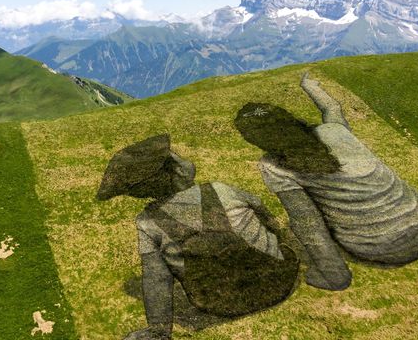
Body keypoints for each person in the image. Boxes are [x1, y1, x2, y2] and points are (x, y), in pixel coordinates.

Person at [234, 73, 418, 291]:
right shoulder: (335, 131)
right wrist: (310, 87)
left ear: (254, 139)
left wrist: (333, 275)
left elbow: (308, 223)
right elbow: (332, 109)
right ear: (292, 120)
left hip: (383, 249)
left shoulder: (275, 166)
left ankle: (334, 272)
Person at [96, 134, 299, 340]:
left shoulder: (147, 222)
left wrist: (159, 328)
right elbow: (266, 217)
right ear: (176, 169)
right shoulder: (222, 190)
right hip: (279, 280)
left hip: (219, 305)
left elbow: (156, 278)